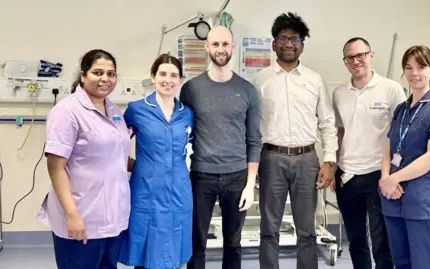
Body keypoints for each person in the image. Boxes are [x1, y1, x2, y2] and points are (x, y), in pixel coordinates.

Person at [250, 12, 337, 269]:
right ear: (274, 43)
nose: (289, 44)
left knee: (307, 230)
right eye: (283, 38)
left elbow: (327, 123)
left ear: (302, 45)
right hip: (271, 159)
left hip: (307, 160)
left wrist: (329, 161)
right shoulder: (259, 81)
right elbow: (252, 127)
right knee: (269, 229)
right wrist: (253, 164)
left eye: (295, 39)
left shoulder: (315, 80)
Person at [37, 49, 131, 269]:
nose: (105, 78)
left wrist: (151, 167)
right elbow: (56, 167)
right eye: (98, 72)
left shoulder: (115, 111)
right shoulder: (67, 111)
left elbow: (118, 156)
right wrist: (72, 214)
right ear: (83, 75)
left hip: (112, 218)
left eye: (111, 73)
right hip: (82, 216)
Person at [179, 25, 262, 269]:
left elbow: (254, 139)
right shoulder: (191, 89)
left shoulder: (247, 90)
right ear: (207, 47)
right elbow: (182, 133)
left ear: (233, 47)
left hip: (236, 178)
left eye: (225, 44)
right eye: (215, 44)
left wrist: (250, 184)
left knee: (234, 243)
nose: (220, 49)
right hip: (201, 177)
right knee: (196, 243)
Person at [379, 45, 430, 269]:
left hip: (421, 203)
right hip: (393, 199)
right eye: (408, 68)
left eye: (421, 66)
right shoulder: (401, 109)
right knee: (401, 263)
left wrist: (393, 179)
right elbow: (389, 148)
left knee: (424, 265)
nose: (414, 73)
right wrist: (385, 178)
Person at [331, 37, 406, 269]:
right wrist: (334, 167)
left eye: (360, 55)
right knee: (356, 240)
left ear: (371, 55)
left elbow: (401, 134)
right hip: (347, 176)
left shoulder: (391, 90)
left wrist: (395, 174)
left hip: (378, 175)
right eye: (350, 57)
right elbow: (340, 132)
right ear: (345, 62)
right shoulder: (339, 93)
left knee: (381, 241)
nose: (356, 61)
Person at [118, 54, 194, 269]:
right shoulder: (136, 110)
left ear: (180, 80)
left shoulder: (186, 114)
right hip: (146, 191)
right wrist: (136, 166)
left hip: (178, 191)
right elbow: (115, 147)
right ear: (153, 76)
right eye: (162, 74)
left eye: (173, 75)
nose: (167, 80)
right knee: (145, 249)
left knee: (175, 250)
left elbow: (191, 147)